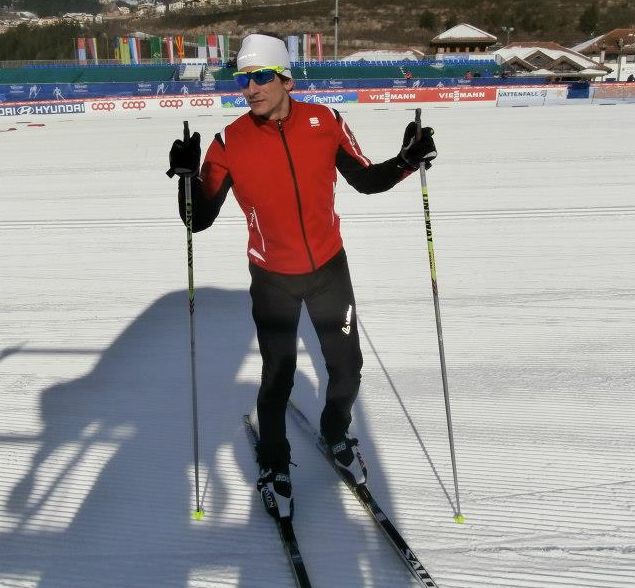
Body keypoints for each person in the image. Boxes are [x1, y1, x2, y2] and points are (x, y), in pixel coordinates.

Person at [166, 33, 437, 520]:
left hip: (330, 270)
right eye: (242, 78)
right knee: (279, 377)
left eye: (260, 77)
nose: (249, 88)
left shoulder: (326, 121)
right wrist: (186, 180)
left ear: (286, 79)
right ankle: (274, 464)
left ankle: (336, 432)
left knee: (348, 368)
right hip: (272, 279)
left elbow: (364, 178)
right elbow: (197, 219)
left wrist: (405, 163)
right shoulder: (230, 142)